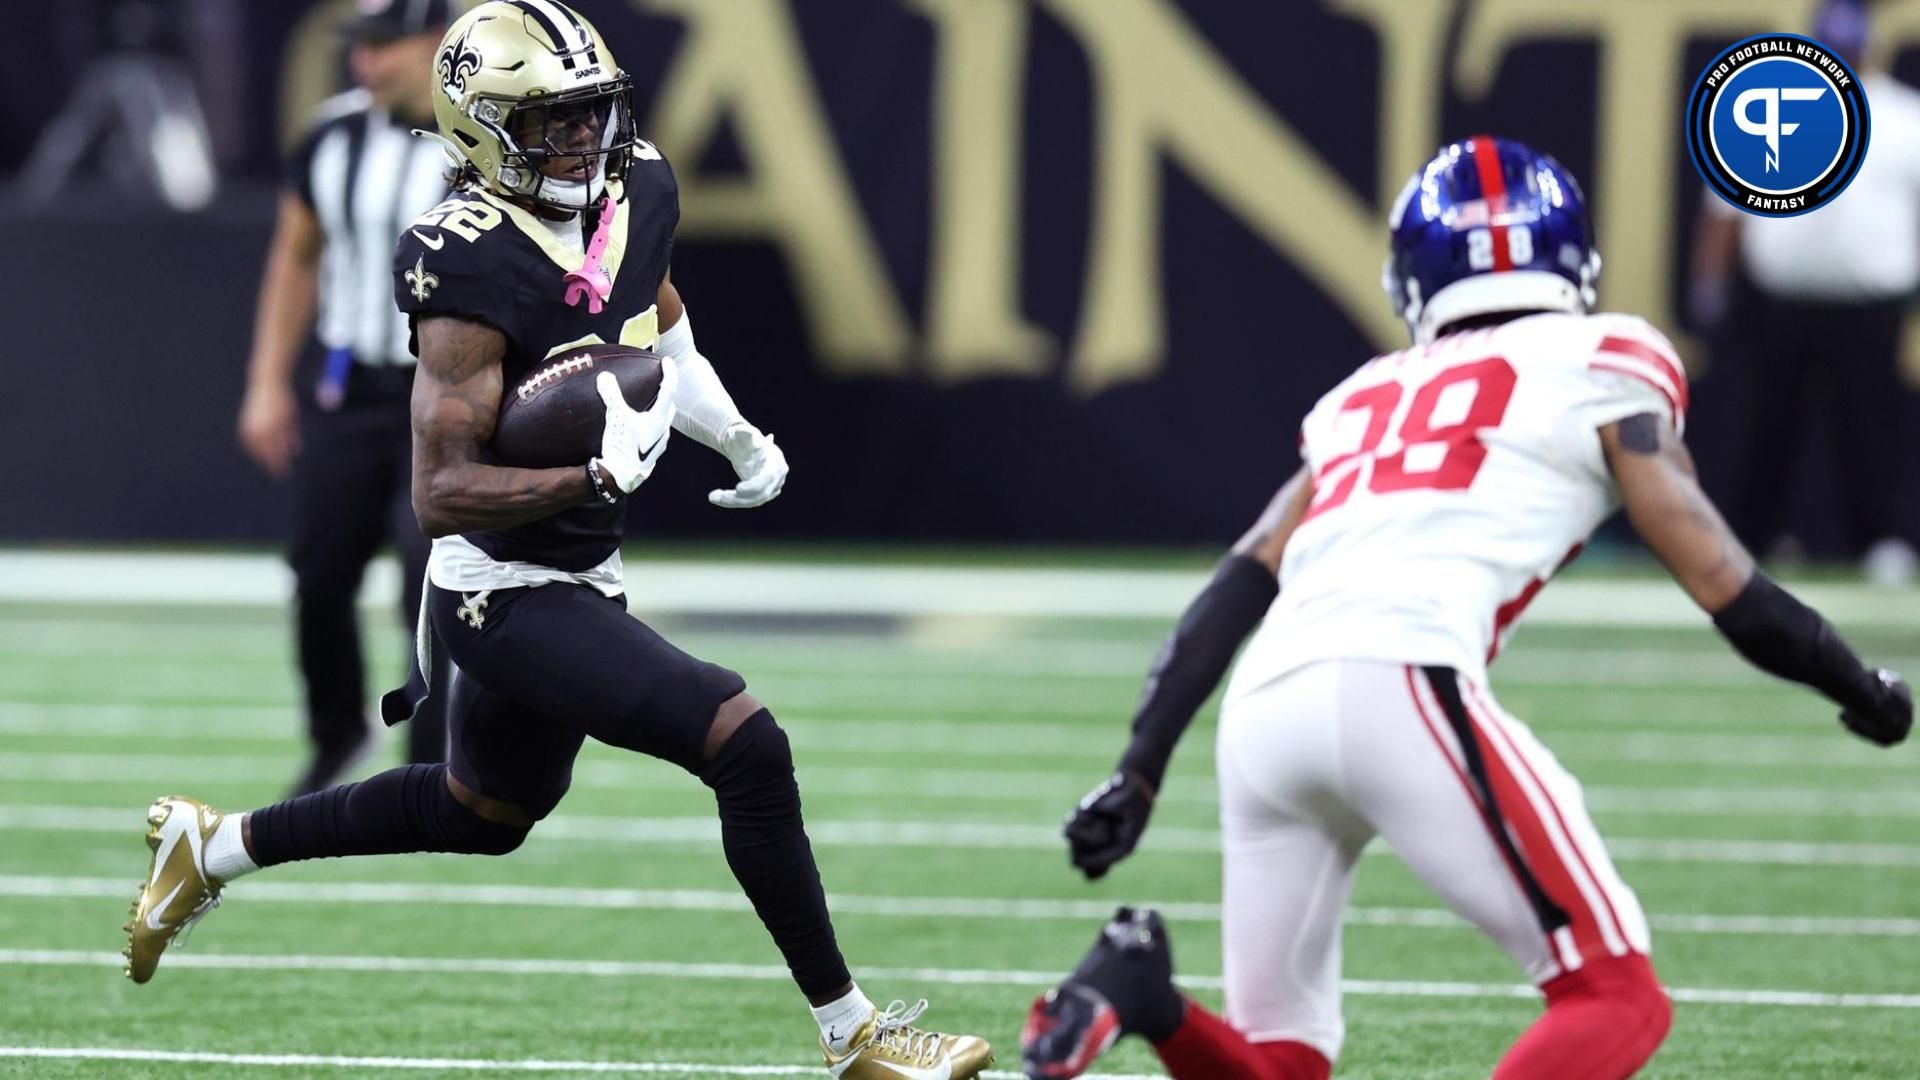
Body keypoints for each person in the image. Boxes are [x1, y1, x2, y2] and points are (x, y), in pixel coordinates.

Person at [126, 4, 994, 1077]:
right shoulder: (464, 260)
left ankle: (211, 849)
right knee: (745, 743)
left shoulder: (639, 189)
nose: (584, 140)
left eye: (592, 113)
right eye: (552, 122)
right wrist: (590, 471)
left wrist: (731, 434)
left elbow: (660, 323)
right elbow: (441, 491)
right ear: (482, 129)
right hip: (500, 591)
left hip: (584, 564)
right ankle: (855, 1037)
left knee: (482, 810)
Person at [1020, 137, 1912, 1080]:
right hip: (1403, 678)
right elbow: (1723, 579)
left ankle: (1140, 989)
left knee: (1281, 1060)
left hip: (1264, 706)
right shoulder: (1605, 355)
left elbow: (1242, 577)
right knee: (1615, 994)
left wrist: (1140, 768)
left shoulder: (1367, 393)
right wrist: (1858, 682)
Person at [237, 0, 456, 794]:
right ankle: (338, 734)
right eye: (361, 46)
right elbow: (296, 256)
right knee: (318, 571)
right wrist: (267, 381)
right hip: (348, 386)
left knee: (428, 580)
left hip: (450, 395)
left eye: (385, 44)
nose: (368, 62)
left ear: (438, 40)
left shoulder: (489, 141)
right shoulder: (332, 134)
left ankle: (431, 764)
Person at [1690, 0, 1920, 584]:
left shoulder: (1903, 116)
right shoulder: (1775, 98)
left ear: (1866, 47)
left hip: (1871, 303)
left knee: (1870, 427)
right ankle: (1756, 537)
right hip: (1781, 300)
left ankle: (1882, 540)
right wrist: (1711, 282)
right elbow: (1727, 201)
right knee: (1769, 425)